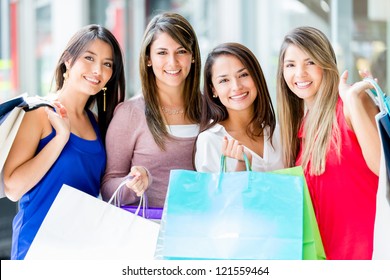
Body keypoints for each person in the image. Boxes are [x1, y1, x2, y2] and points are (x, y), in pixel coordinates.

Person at [3, 24, 126, 259]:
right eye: (89, 58)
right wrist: (60, 138)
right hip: (36, 250)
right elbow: (13, 189)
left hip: (80, 251)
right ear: (68, 61)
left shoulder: (98, 123)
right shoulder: (38, 113)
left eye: (107, 64)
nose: (98, 70)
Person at [276, 26, 380, 259]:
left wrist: (352, 100)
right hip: (325, 260)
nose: (300, 73)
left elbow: (381, 167)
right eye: (290, 65)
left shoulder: (351, 102)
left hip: (367, 257)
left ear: (325, 63)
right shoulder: (300, 128)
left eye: (310, 62)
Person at [101, 12, 202, 208]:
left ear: (193, 57)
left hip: (200, 229)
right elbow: (107, 189)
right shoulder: (129, 114)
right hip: (147, 231)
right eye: (162, 53)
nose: (172, 62)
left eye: (181, 51)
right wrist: (133, 184)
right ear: (148, 58)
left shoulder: (210, 110)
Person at [194, 42, 283, 172]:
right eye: (224, 80)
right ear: (214, 90)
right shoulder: (210, 140)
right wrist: (241, 166)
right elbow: (212, 192)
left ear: (256, 77)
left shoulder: (279, 132)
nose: (236, 86)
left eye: (243, 75)